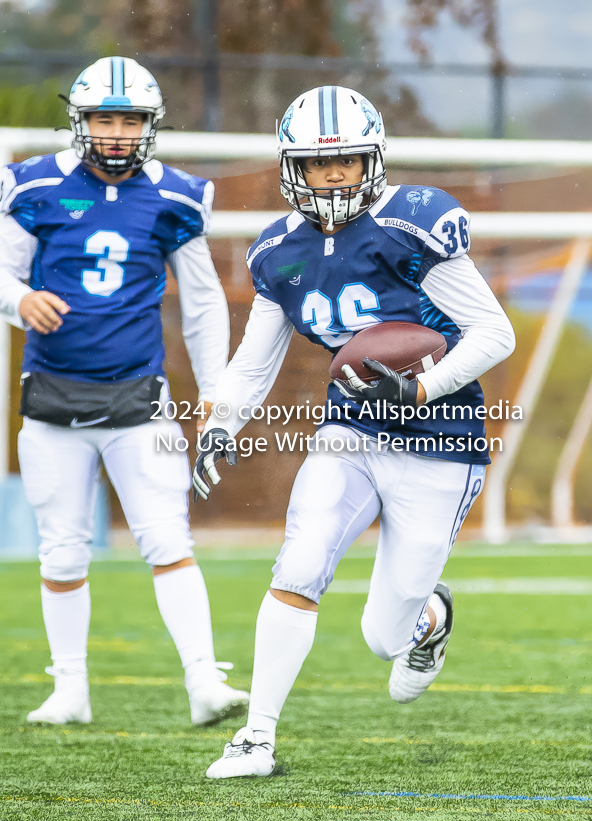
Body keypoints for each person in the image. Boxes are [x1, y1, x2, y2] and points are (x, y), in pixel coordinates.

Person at [192, 85, 515, 778]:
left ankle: (427, 620)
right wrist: (220, 423)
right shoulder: (279, 249)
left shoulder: (412, 225)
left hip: (441, 438)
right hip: (351, 432)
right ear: (294, 169)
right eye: (318, 163)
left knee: (382, 635)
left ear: (373, 161)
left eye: (347, 161)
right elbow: (257, 359)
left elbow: (495, 333)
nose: (333, 175)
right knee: (301, 563)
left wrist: (421, 385)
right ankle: (255, 738)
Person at [0, 56, 248, 726]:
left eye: (130, 119)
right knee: (62, 546)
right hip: (53, 398)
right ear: (80, 122)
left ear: (151, 125)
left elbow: (201, 306)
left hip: (140, 400)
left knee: (168, 539)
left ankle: (204, 683)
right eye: (104, 118)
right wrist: (22, 301)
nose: (116, 131)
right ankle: (69, 689)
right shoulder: (34, 185)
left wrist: (217, 393)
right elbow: (2, 274)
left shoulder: (177, 196)